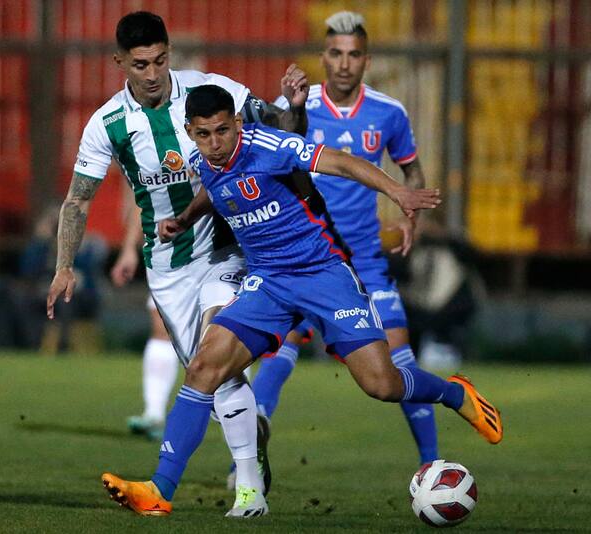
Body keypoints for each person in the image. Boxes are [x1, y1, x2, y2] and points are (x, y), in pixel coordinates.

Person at [99, 84, 502, 518]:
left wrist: (396, 192)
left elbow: (342, 162)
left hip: (323, 274)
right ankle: (159, 490)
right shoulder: (204, 160)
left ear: (237, 123)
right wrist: (183, 220)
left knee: (382, 384)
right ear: (190, 131)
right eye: (203, 134)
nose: (214, 144)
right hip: (268, 281)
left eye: (222, 131)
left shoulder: (268, 146)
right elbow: (215, 190)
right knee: (203, 366)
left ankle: (452, 392)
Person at [45, 11, 309, 517]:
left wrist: (294, 106)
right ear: (120, 61)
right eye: (140, 63)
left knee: (219, 355)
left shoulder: (209, 89)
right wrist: (64, 266)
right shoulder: (107, 124)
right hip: (167, 267)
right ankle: (253, 452)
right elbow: (78, 202)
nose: (152, 73)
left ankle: (248, 492)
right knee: (214, 380)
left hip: (226, 249)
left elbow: (279, 127)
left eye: (161, 60)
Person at [251, 11, 441, 466]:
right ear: (323, 57)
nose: (343, 64)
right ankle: (254, 432)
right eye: (335, 53)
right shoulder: (298, 105)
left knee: (400, 360)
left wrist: (409, 209)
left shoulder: (388, 113)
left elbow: (410, 168)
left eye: (353, 55)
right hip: (303, 254)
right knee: (281, 343)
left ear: (366, 60)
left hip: (364, 261)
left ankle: (432, 465)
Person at [109, 189, 178, 441]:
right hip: (170, 252)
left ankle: (241, 417)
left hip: (215, 253)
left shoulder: (211, 151)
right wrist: (129, 248)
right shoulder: (151, 155)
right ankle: (154, 413)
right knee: (161, 328)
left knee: (221, 334)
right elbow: (145, 197)